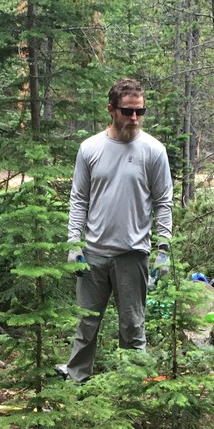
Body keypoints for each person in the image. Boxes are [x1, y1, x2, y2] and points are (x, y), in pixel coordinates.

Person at [61, 77, 174, 383]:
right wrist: (74, 244)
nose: (134, 118)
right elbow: (79, 199)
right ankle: (77, 385)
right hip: (94, 254)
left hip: (133, 254)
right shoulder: (90, 149)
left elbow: (164, 202)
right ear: (111, 110)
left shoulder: (153, 150)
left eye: (140, 111)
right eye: (127, 111)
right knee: (86, 327)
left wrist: (163, 248)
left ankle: (133, 390)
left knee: (133, 328)